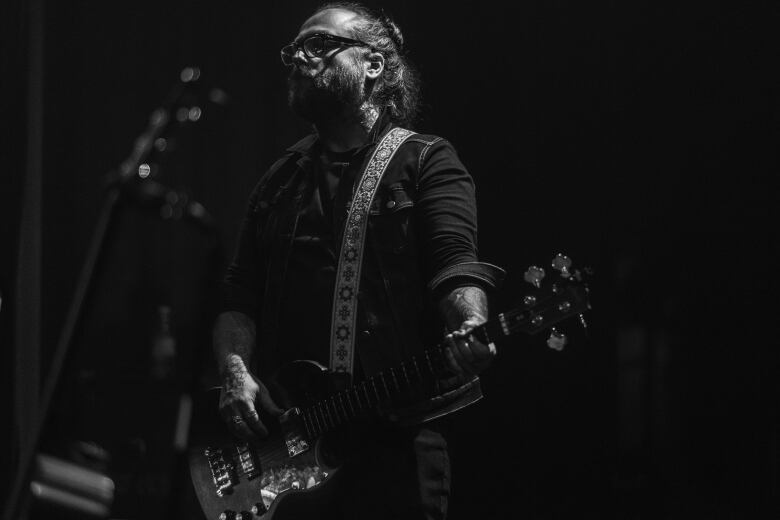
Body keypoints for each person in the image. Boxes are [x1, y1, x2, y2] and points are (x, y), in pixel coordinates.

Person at [212, 3, 504, 518]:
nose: (300, 58)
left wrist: (471, 322)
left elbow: (454, 264)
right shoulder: (281, 179)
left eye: (320, 45)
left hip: (396, 439)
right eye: (294, 50)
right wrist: (236, 374)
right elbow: (240, 293)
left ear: (373, 65)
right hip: (292, 447)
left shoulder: (426, 162)